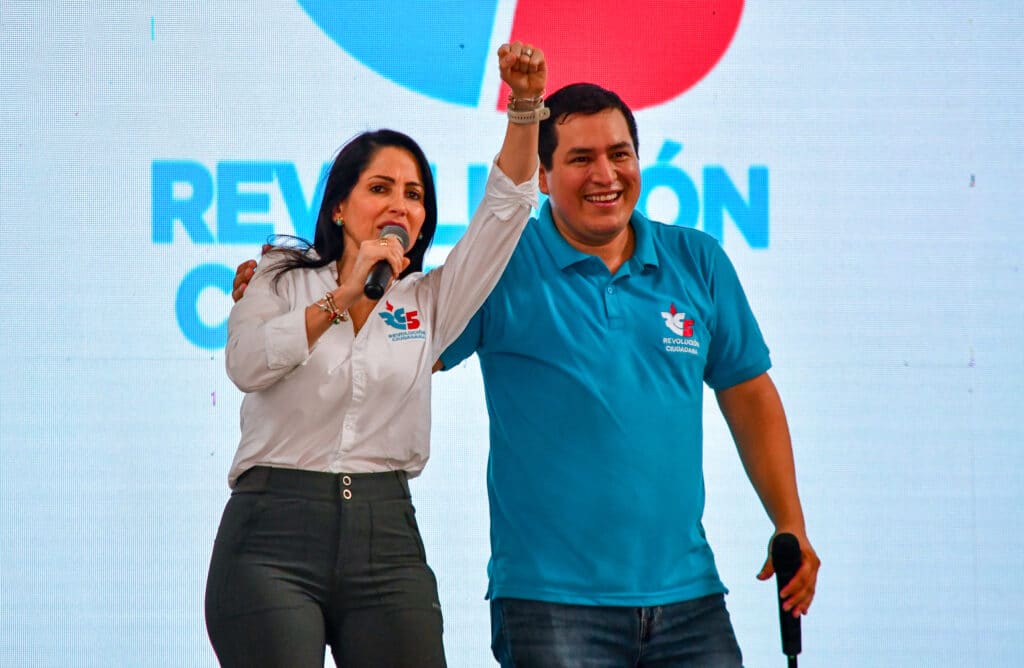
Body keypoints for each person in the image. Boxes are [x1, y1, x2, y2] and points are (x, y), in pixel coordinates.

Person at [232, 83, 820, 667]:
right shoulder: (503, 270)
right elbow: (389, 353)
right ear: (542, 175)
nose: (605, 174)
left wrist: (788, 520)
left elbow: (748, 393)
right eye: (581, 158)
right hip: (549, 602)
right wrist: (296, 299)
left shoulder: (698, 260)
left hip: (690, 597)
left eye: (619, 154)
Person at [206, 42, 546, 668]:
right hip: (270, 536)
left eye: (414, 195)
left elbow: (505, 210)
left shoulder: (432, 300)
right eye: (380, 188)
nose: (400, 205)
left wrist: (524, 106)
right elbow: (247, 365)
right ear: (339, 206)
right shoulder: (278, 277)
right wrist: (341, 296)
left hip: (385, 537)